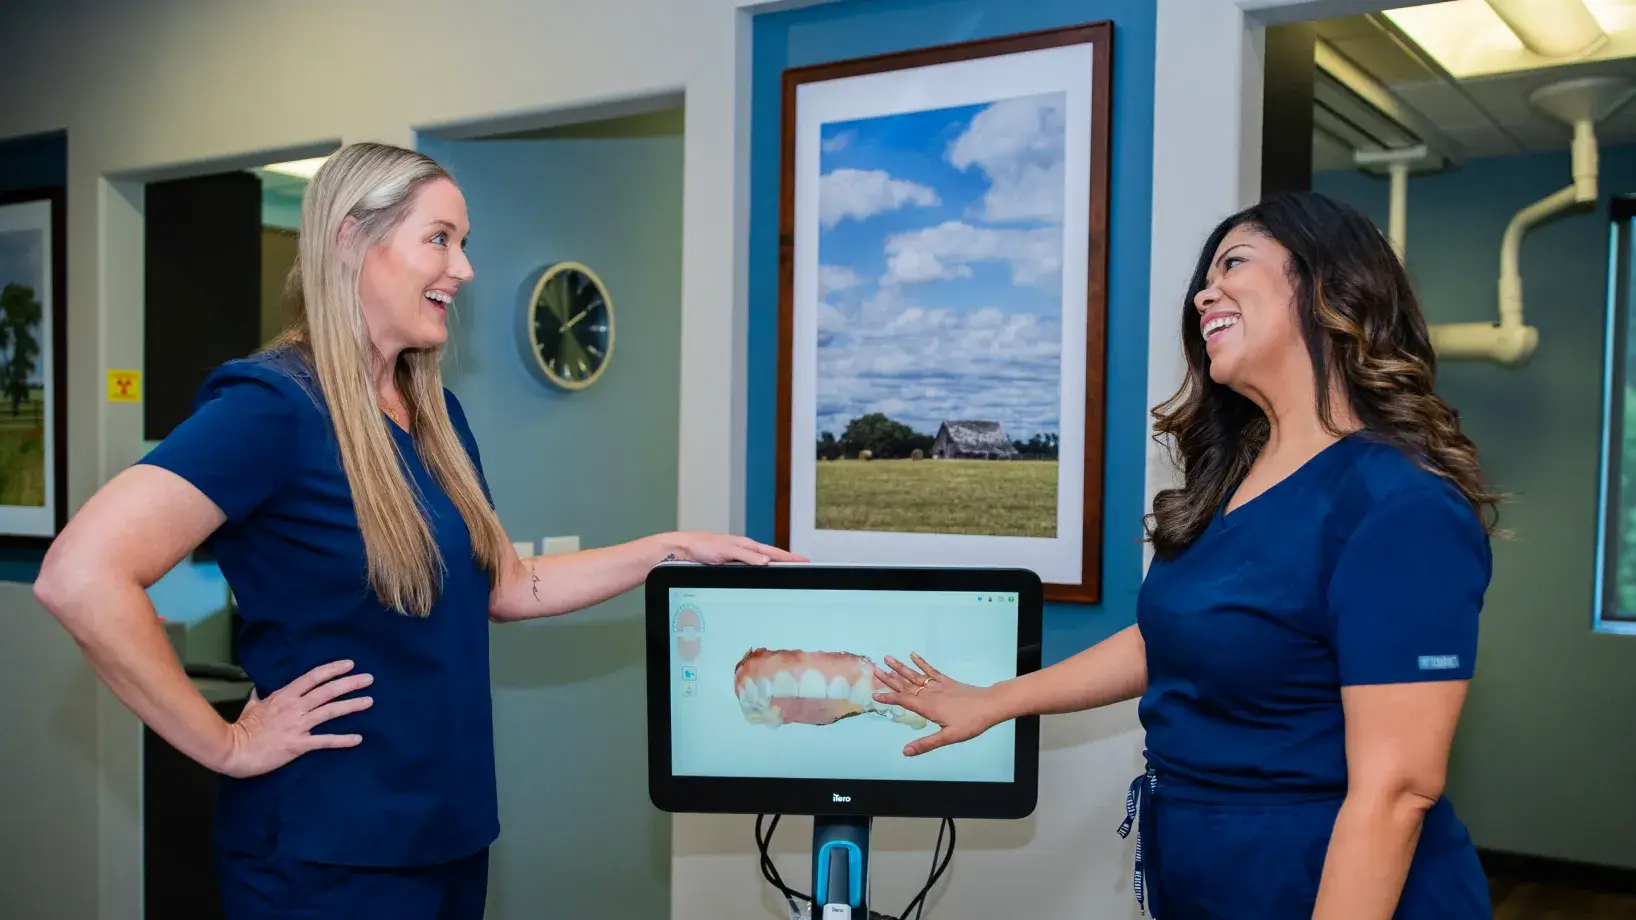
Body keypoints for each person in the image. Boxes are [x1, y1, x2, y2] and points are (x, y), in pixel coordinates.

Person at [34, 141, 802, 920]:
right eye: (439, 239)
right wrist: (225, 744)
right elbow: (80, 575)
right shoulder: (271, 409)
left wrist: (671, 550)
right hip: (325, 855)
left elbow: (509, 586)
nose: (462, 269)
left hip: (448, 835)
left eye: (462, 243)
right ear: (351, 238)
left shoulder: (435, 416)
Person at [871, 191, 1499, 919]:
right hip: (1205, 870)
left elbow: (1397, 790)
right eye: (1205, 276)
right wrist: (995, 701)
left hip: (1322, 878)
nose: (1204, 292)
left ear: (1330, 284)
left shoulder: (1398, 504)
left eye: (1234, 263)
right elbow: (1171, 637)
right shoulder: (1234, 479)